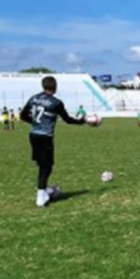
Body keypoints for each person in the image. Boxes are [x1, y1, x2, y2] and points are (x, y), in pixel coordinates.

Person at [21, 76, 86, 207]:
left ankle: (44, 190)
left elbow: (23, 116)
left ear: (43, 86)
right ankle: (41, 197)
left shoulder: (33, 98)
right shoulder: (56, 103)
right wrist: (81, 121)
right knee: (46, 167)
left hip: (33, 135)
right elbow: (67, 119)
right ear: (55, 87)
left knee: (42, 165)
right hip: (45, 136)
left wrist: (35, 123)